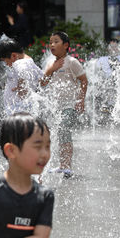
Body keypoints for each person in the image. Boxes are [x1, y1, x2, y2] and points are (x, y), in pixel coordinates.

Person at [39, 31, 88, 178]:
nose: (52, 44)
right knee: (60, 133)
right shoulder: (50, 63)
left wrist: (81, 100)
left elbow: (84, 80)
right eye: (50, 42)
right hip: (56, 107)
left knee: (64, 128)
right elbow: (42, 83)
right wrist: (51, 70)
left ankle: (67, 166)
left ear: (66, 45)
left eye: (56, 41)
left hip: (70, 105)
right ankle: (62, 165)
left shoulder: (72, 62)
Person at [0, 37, 43, 116]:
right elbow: (42, 79)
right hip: (25, 109)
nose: (6, 64)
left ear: (13, 55)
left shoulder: (19, 64)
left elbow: (22, 73)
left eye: (5, 60)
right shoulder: (29, 60)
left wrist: (22, 85)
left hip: (17, 110)